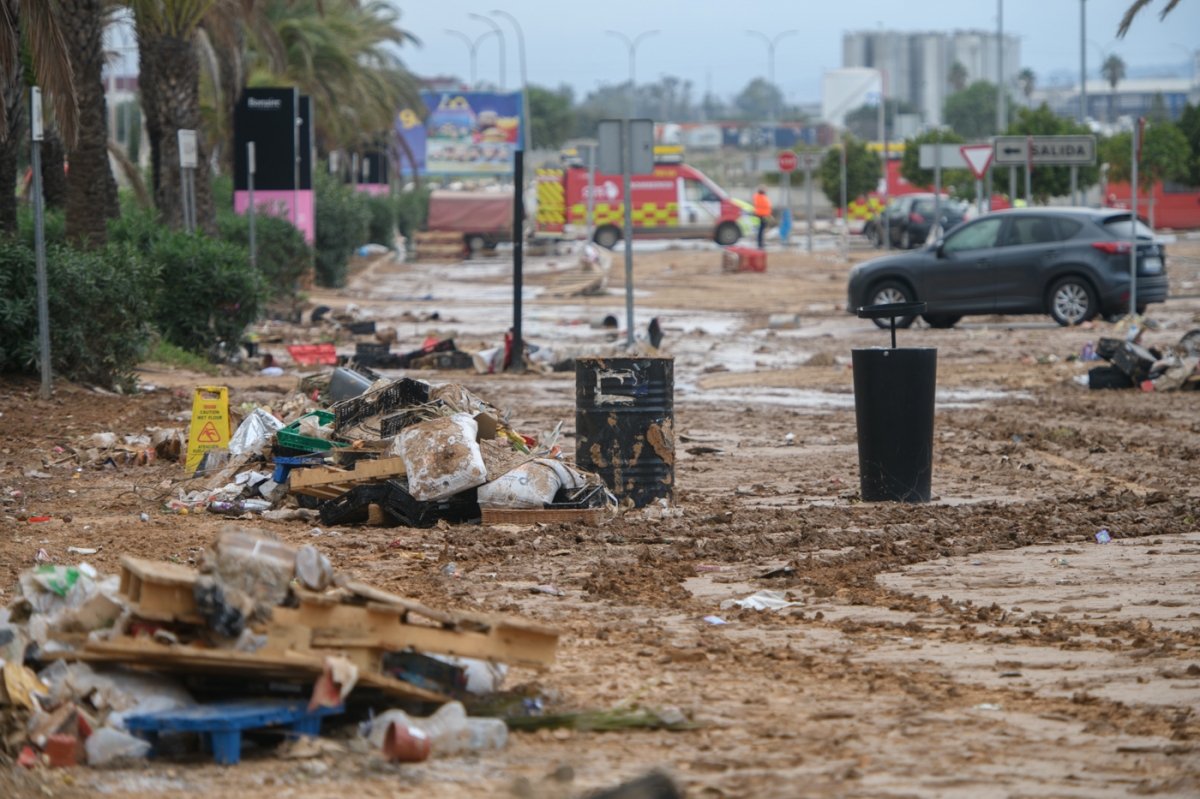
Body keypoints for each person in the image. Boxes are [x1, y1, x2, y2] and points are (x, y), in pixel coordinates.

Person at [753, 185, 772, 249]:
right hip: (763, 215)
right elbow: (766, 205)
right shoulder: (761, 198)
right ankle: (760, 243)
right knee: (761, 230)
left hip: (761, 215)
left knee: (761, 230)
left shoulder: (757, 197)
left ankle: (760, 243)